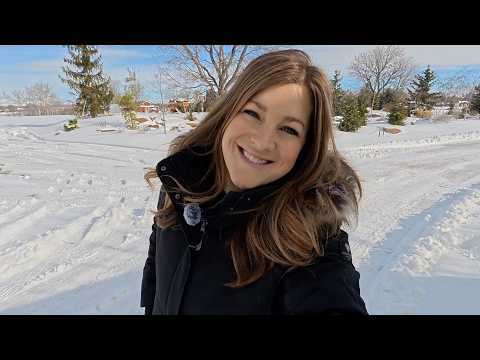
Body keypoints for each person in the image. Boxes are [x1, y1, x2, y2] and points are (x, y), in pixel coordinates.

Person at [141, 49, 368, 315]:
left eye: (288, 129)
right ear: (229, 111)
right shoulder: (183, 180)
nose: (262, 142)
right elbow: (158, 248)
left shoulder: (308, 235)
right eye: (252, 113)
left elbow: (330, 294)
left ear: (305, 148)